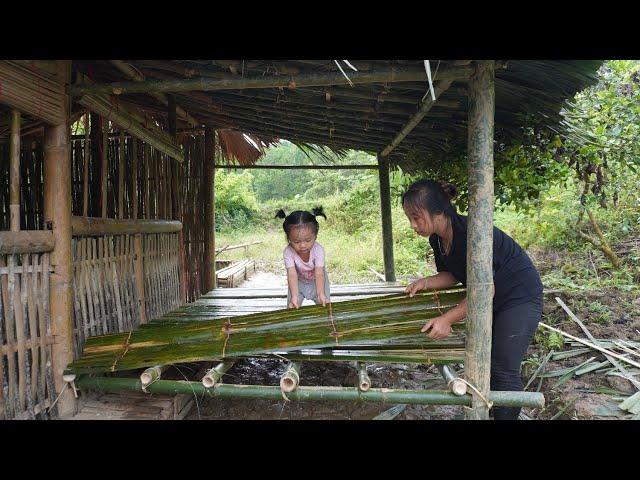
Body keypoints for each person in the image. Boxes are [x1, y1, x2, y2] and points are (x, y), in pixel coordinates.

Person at [402, 179, 543, 420]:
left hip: (519, 296)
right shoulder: (437, 238)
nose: (413, 225)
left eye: (417, 217)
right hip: (494, 298)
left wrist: (447, 319)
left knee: (503, 369)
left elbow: (484, 290)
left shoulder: (471, 233)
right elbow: (454, 274)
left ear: (438, 212)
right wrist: (425, 282)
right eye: (409, 219)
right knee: (487, 364)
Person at [276, 207, 331, 309]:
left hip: (317, 280)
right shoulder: (288, 252)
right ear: (289, 239)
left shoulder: (318, 250)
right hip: (298, 281)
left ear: (315, 235)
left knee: (324, 303)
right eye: (296, 242)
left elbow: (319, 273)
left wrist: (321, 293)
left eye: (308, 240)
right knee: (292, 306)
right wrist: (295, 296)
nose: (302, 245)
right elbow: (292, 275)